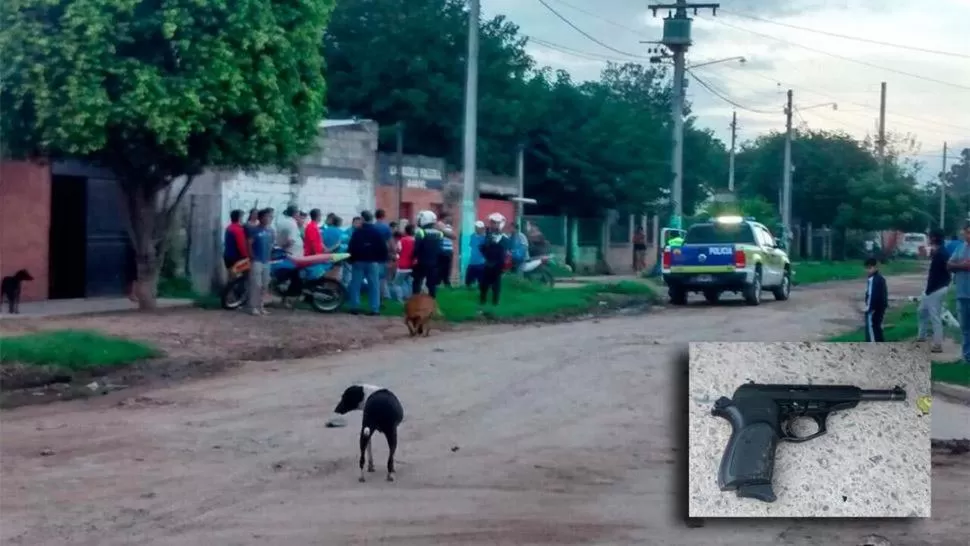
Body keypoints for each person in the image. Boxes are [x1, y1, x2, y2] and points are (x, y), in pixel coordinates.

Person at [347, 210, 388, 315]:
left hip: (359, 260)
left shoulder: (357, 232)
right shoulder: (376, 232)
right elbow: (383, 247)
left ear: (363, 219)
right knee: (374, 285)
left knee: (355, 284)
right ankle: (374, 309)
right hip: (373, 261)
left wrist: (350, 258)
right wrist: (382, 259)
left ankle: (354, 306)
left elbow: (352, 246)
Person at [918, 230, 950, 353]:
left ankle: (938, 344)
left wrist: (929, 290)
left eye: (930, 237)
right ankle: (922, 336)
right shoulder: (940, 252)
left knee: (934, 316)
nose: (928, 239)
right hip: (934, 288)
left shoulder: (941, 253)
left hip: (936, 289)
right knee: (921, 311)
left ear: (934, 238)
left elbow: (941, 272)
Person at [947, 223, 970, 363]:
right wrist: (962, 266)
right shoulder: (961, 248)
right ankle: (967, 357)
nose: (968, 235)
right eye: (967, 232)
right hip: (962, 294)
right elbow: (949, 265)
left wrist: (959, 266)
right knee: (965, 328)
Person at [247, 208, 275, 316]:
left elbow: (272, 244)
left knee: (265, 284)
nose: (269, 219)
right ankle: (253, 306)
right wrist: (252, 256)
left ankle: (261, 305)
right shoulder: (254, 230)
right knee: (256, 284)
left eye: (270, 216)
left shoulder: (271, 231)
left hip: (266, 260)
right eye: (267, 216)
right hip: (257, 260)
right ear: (261, 218)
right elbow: (249, 244)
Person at [479, 213, 510, 308]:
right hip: (488, 263)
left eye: (496, 223)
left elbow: (504, 251)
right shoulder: (486, 235)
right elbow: (482, 248)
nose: (493, 225)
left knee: (496, 285)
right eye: (492, 222)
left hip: (498, 264)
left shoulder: (504, 238)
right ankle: (483, 301)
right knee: (484, 284)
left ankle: (495, 303)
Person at [412, 210, 445, 297]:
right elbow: (441, 249)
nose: (418, 222)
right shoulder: (440, 233)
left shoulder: (421, 232)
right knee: (432, 285)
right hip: (434, 263)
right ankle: (432, 304)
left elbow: (416, 249)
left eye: (419, 220)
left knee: (417, 282)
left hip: (422, 262)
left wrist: (414, 257)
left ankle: (416, 301)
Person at [863, 257, 888, 342]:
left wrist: (870, 308)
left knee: (872, 331)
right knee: (877, 329)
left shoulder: (873, 280)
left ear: (875, 267)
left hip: (873, 310)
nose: (868, 270)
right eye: (867, 268)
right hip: (879, 309)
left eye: (870, 268)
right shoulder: (880, 278)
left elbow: (872, 296)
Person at [373, 209, 395, 299]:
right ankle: (380, 297)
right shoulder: (386, 228)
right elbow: (391, 243)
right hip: (382, 254)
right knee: (381, 278)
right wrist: (394, 252)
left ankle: (374, 296)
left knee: (373, 277)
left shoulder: (373, 227)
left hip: (372, 254)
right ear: (383, 216)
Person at [393, 224, 416, 301]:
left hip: (402, 266)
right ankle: (409, 298)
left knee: (397, 283)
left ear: (405, 231)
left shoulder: (402, 240)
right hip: (412, 265)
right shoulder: (416, 240)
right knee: (408, 282)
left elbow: (398, 251)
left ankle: (400, 299)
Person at [465, 221, 486, 288]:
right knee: (468, 281)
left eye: (478, 227)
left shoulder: (485, 238)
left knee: (481, 281)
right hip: (472, 262)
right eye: (476, 227)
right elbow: (470, 246)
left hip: (481, 262)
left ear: (482, 228)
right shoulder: (472, 236)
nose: (476, 229)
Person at [437, 213, 456, 287]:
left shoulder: (448, 226)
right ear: (445, 217)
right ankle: (438, 284)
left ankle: (446, 283)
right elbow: (452, 236)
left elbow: (453, 236)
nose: (451, 219)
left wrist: (444, 231)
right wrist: (444, 231)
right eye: (449, 217)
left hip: (448, 250)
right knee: (440, 269)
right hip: (442, 250)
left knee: (447, 269)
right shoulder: (439, 224)